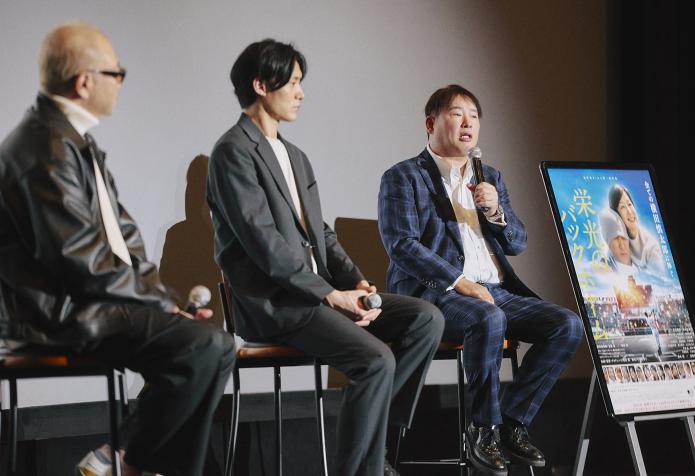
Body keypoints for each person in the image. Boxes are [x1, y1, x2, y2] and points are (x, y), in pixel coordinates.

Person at [0, 23, 234, 476]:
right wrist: (161, 303)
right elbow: (82, 260)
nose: (122, 82)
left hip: (85, 302)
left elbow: (124, 240)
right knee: (203, 346)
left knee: (216, 347)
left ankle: (121, 459)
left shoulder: (74, 141)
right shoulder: (45, 147)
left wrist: (165, 303)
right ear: (84, 82)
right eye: (116, 73)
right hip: (55, 314)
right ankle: (125, 462)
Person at [206, 39, 444, 476]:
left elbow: (322, 234)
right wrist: (331, 295)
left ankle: (376, 445)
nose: (301, 93)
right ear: (261, 85)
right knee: (376, 360)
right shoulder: (232, 152)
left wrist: (355, 283)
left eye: (301, 82)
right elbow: (264, 244)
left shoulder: (295, 156)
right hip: (278, 304)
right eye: (293, 82)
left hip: (318, 297)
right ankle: (364, 468)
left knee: (425, 319)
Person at [377, 84, 583, 474]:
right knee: (488, 318)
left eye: (474, 116)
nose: (468, 123)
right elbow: (401, 244)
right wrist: (459, 281)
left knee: (567, 326)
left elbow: (518, 242)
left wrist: (495, 212)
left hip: (496, 292)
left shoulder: (490, 178)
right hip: (436, 294)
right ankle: (482, 429)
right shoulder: (404, 177)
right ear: (431, 123)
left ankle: (510, 424)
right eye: (457, 114)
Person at [608, 184, 663, 273]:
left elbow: (660, 278)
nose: (630, 212)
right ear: (616, 216)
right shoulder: (617, 242)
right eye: (622, 207)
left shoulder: (651, 247)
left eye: (629, 204)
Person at [598, 208, 639, 275]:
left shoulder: (641, 264)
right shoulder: (604, 268)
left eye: (624, 238)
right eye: (615, 238)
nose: (622, 245)